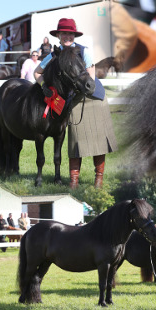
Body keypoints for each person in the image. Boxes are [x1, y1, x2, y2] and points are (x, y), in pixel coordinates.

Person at [34, 18, 118, 188]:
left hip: (93, 99)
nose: (67, 36)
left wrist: (85, 87)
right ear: (58, 35)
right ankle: (74, 182)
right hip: (72, 103)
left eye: (70, 33)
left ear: (74, 35)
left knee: (100, 141)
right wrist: (44, 87)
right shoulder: (52, 55)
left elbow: (91, 75)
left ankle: (99, 180)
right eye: (64, 33)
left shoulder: (83, 51)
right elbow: (37, 73)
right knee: (75, 141)